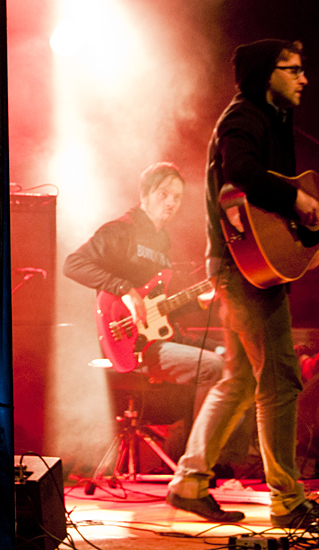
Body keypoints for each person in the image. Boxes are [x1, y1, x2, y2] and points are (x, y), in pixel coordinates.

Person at [165, 39, 319, 527]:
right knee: (281, 379)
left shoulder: (273, 120)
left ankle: (189, 482)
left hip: (247, 268)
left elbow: (276, 210)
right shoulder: (244, 117)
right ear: (265, 74)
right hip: (243, 272)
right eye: (292, 69)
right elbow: (240, 173)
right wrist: (295, 198)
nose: (304, 78)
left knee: (240, 380)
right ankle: (288, 501)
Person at [64, 162, 224, 433]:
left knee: (231, 357)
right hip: (127, 341)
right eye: (163, 194)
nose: (171, 202)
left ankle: (189, 443)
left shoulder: (163, 241)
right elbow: (73, 264)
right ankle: (200, 455)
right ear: (145, 195)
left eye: (177, 197)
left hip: (156, 337)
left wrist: (199, 301)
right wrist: (124, 289)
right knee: (213, 366)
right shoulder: (121, 229)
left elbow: (159, 309)